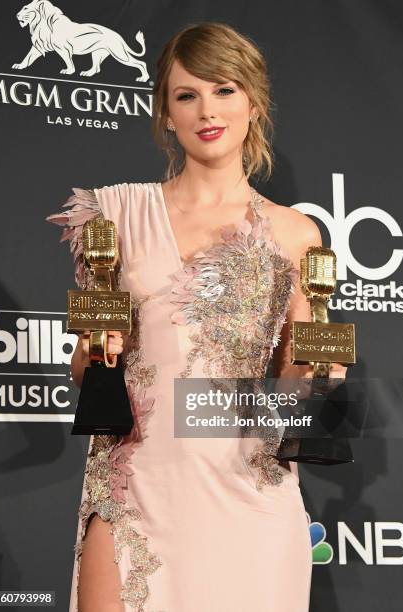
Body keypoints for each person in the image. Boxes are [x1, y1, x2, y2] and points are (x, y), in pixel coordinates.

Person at [47, 22, 347, 612]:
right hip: (134, 480)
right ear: (166, 113)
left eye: (224, 89)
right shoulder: (112, 215)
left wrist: (319, 380)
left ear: (254, 102)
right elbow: (90, 376)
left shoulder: (296, 234)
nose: (207, 110)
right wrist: (92, 354)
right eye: (187, 95)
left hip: (247, 488)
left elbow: (296, 387)